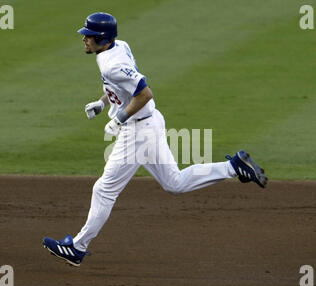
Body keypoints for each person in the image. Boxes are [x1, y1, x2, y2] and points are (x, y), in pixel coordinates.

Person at [43, 12, 267, 267]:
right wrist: (103, 103)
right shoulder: (119, 47)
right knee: (175, 183)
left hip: (137, 131)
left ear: (102, 38)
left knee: (104, 190)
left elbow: (145, 93)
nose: (84, 40)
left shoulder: (110, 63)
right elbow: (123, 87)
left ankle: (77, 247)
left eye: (89, 37)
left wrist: (119, 119)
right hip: (150, 123)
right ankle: (233, 167)